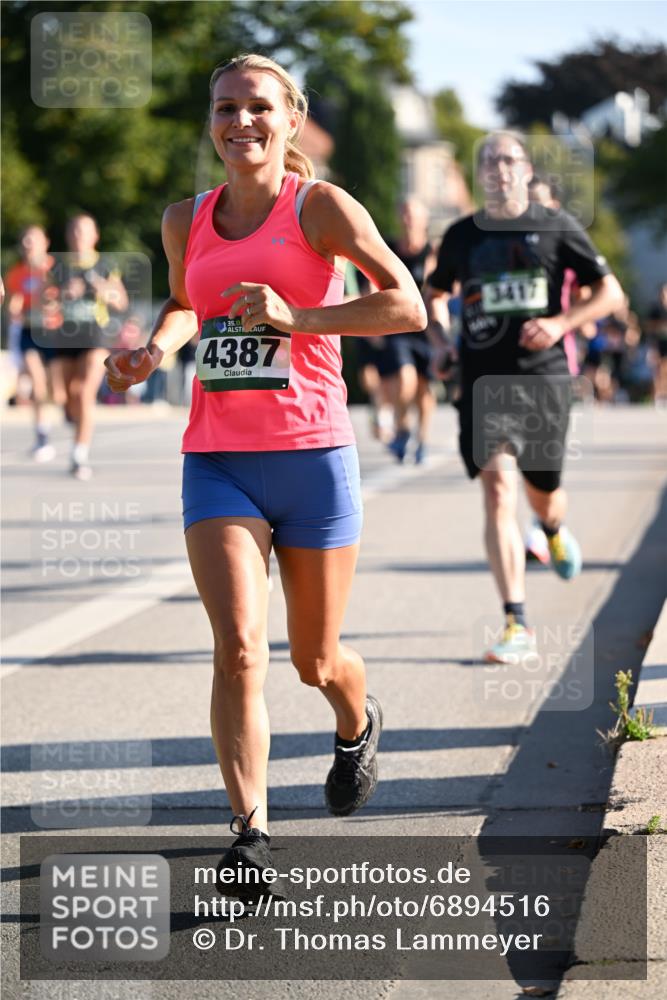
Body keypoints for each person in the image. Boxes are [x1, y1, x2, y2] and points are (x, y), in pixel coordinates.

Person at [105, 53, 426, 896]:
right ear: (209, 122)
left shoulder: (317, 206)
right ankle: (250, 830)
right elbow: (186, 304)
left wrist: (303, 316)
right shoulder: (187, 218)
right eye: (223, 109)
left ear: (290, 119)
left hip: (313, 457)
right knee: (239, 648)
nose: (238, 122)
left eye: (256, 108)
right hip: (217, 460)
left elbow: (406, 304)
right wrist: (151, 350)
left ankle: (356, 722)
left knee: (312, 661)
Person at [425, 131, 624, 664]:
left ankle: (554, 528)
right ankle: (517, 621)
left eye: (507, 159)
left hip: (544, 381)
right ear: (479, 173)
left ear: (526, 168)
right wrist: (442, 341)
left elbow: (610, 292)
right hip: (481, 382)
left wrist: (561, 323)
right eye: (486, 159)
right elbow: (435, 291)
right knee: (496, 491)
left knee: (543, 492)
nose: (497, 168)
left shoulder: (556, 226)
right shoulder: (462, 235)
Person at [52, 213, 129, 480]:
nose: (78, 236)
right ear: (67, 234)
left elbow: (120, 301)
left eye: (84, 231)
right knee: (64, 395)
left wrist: (101, 289)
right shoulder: (57, 267)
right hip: (65, 336)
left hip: (95, 335)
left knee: (84, 391)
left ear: (95, 235)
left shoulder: (105, 265)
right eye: (74, 230)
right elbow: (43, 302)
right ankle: (75, 423)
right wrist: (62, 295)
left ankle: (78, 454)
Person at [382, 198, 438, 464]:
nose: (408, 220)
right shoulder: (390, 249)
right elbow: (376, 282)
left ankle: (423, 439)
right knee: (405, 379)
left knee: (425, 389)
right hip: (399, 326)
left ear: (424, 221)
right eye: (404, 214)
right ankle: (402, 428)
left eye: (413, 215)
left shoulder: (432, 253)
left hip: (427, 329)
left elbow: (440, 290)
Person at [4, 225, 60, 460]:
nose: (28, 245)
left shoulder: (58, 268)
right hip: (29, 333)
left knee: (59, 394)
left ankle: (66, 412)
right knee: (37, 384)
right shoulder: (16, 273)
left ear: (45, 242)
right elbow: (13, 308)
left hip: (58, 334)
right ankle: (42, 437)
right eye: (25, 241)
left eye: (33, 240)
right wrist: (16, 312)